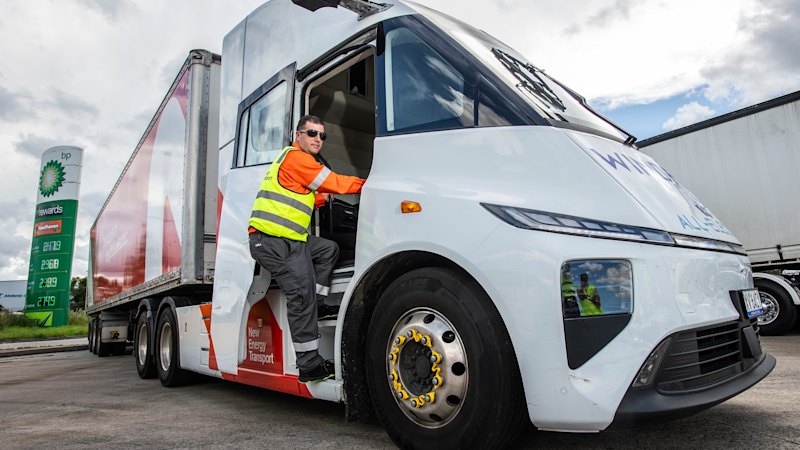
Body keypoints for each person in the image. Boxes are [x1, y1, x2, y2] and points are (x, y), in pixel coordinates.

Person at [248, 115, 365, 383]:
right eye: (312, 133)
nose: (317, 139)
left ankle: (320, 304)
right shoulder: (297, 158)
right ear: (297, 134)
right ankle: (309, 364)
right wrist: (368, 185)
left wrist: (321, 200)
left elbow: (298, 197)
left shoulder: (296, 165)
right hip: (274, 241)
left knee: (328, 250)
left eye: (322, 136)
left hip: (290, 239)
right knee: (301, 295)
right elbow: (334, 181)